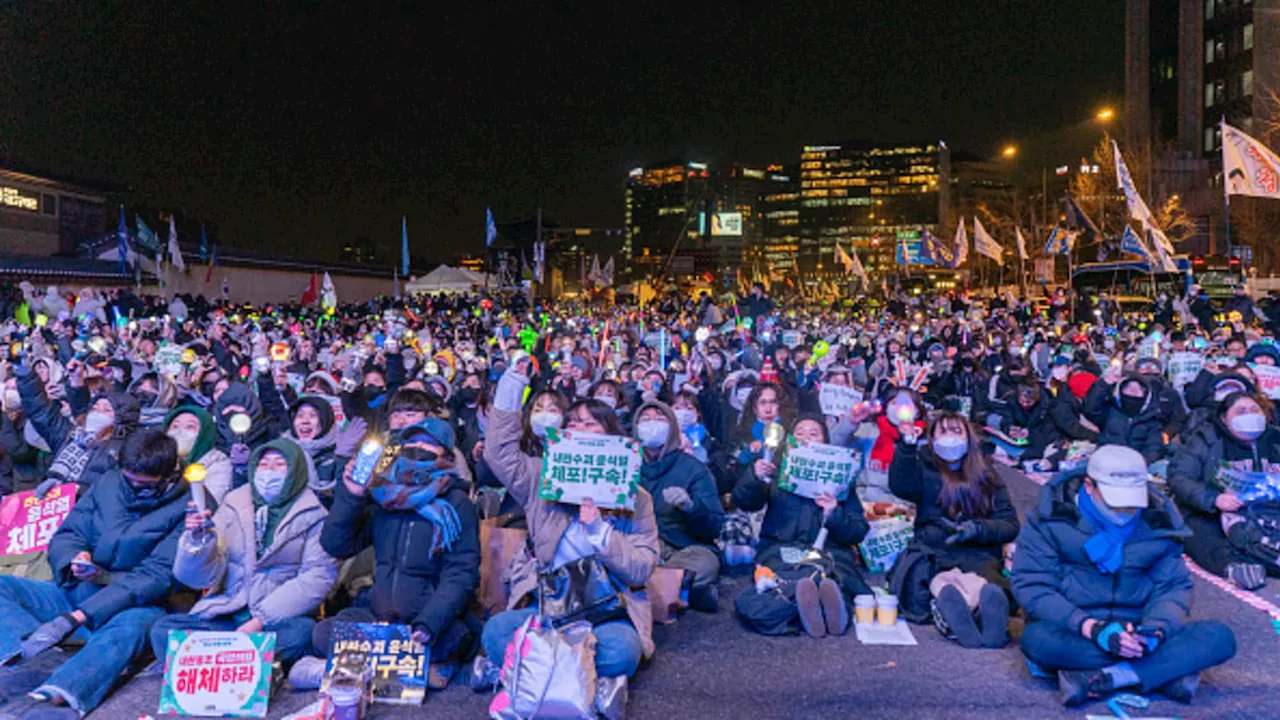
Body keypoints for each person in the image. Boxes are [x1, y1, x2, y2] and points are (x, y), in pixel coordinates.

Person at [1012, 445, 1236, 706]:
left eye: (1132, 503)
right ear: (1089, 486)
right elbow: (1033, 586)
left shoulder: (1158, 522)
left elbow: (1173, 588)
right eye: (1114, 501)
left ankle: (1110, 677)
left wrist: (1155, 632)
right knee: (1038, 641)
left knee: (1220, 637)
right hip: (1078, 627)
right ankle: (1163, 672)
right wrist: (1093, 628)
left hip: (1139, 627)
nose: (1124, 511)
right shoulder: (1051, 521)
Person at [483, 358, 659, 682]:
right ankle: (576, 674)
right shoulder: (540, 476)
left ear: (611, 435)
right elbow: (499, 454)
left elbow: (642, 567)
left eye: (592, 423)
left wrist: (600, 533)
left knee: (622, 651)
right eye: (574, 423)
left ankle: (538, 670)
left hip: (607, 610)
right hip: (549, 601)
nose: (580, 429)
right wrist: (512, 385)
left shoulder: (637, 497)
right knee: (496, 632)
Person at [0, 429, 188, 715]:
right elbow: (69, 532)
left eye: (144, 485)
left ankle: (57, 694)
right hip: (78, 589)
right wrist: (73, 557)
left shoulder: (191, 505)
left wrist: (77, 617)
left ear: (169, 476)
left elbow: (157, 576)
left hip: (133, 604)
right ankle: (24, 657)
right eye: (130, 480)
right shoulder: (110, 482)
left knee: (132, 629)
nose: (134, 488)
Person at [289, 417, 480, 690]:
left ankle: (364, 664)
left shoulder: (456, 503)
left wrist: (428, 623)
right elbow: (335, 544)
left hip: (426, 622)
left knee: (460, 637)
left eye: (428, 443)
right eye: (412, 441)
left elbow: (461, 572)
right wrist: (352, 495)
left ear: (447, 455)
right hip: (379, 616)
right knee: (323, 632)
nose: (418, 447)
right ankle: (412, 667)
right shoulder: (383, 496)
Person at [149, 438, 338, 667]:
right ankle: (242, 662)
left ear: (296, 471)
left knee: (302, 634)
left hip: (273, 621)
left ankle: (208, 661)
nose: (270, 471)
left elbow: (317, 577)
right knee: (163, 630)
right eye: (263, 464)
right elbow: (196, 579)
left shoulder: (315, 515)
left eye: (279, 464)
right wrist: (198, 542)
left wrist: (260, 620)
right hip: (228, 614)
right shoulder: (233, 503)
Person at [732, 415, 871, 638]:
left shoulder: (840, 479)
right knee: (776, 584)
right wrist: (755, 478)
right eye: (800, 433)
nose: (806, 437)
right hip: (782, 549)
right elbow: (744, 502)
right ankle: (818, 610)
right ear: (790, 440)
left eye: (814, 433)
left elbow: (858, 531)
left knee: (833, 577)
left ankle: (813, 608)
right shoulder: (776, 471)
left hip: (829, 552)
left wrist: (834, 513)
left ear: (825, 441)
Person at [890, 411, 1019, 648]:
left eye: (956, 431)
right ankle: (974, 616)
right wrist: (906, 446)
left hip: (976, 551)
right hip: (933, 551)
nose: (950, 437)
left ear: (968, 437)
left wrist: (978, 529)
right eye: (943, 431)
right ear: (932, 438)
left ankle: (965, 619)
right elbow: (901, 485)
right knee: (944, 581)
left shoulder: (987, 475)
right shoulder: (923, 467)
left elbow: (1010, 524)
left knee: (978, 581)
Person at [1168, 392, 1280, 589]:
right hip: (1212, 511)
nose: (1249, 415)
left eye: (1255, 410)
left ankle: (1263, 555)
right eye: (1241, 411)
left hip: (1264, 510)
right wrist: (1214, 499)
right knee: (1199, 531)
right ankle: (1232, 567)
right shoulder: (1205, 439)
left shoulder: (1275, 439)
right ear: (1224, 418)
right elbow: (1180, 477)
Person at [634, 400, 724, 612]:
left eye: (660, 419)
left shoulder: (693, 468)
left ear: (672, 427)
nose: (653, 424)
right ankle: (679, 592)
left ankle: (645, 591)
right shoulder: (625, 464)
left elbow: (715, 524)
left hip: (680, 547)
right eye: (645, 419)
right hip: (636, 545)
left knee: (705, 562)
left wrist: (690, 507)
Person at [16, 359, 140, 494]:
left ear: (120, 420)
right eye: (95, 408)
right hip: (55, 503)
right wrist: (26, 378)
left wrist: (77, 491)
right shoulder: (71, 435)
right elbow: (41, 413)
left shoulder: (121, 449)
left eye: (106, 410)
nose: (97, 412)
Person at [1082, 369, 1165, 464]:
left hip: (1136, 465)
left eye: (1139, 389)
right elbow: (1091, 408)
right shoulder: (1109, 411)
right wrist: (1104, 383)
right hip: (1107, 461)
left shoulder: (1151, 420)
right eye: (1128, 387)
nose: (1133, 391)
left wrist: (1140, 462)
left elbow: (1154, 447)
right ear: (1120, 391)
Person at [162, 406, 233, 504]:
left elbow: (208, 502)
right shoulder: (154, 457)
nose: (180, 431)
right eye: (175, 426)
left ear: (204, 433)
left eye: (190, 427)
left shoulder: (218, 463)